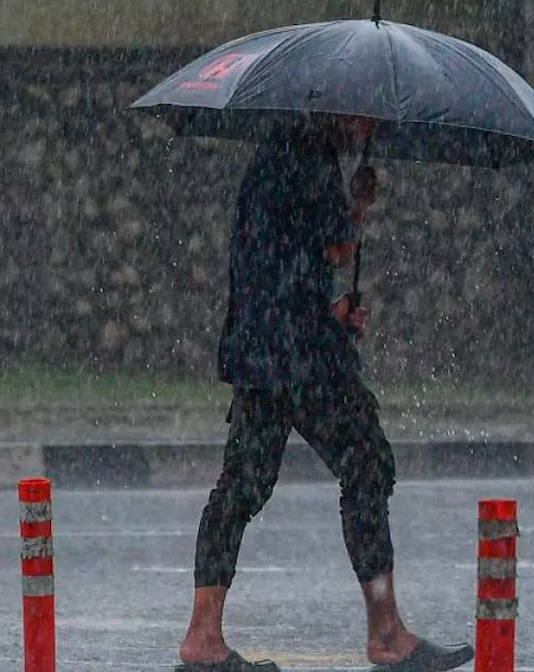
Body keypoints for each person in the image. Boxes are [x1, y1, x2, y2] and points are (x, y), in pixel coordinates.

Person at [176, 115, 475, 672]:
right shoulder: (310, 156)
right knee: (365, 463)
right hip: (299, 353)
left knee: (242, 484)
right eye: (362, 117)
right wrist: (357, 205)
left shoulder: (282, 149)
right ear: (337, 109)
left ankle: (202, 637)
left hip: (263, 345)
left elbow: (285, 260)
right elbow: (336, 247)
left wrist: (327, 309)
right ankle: (385, 633)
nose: (368, 127)